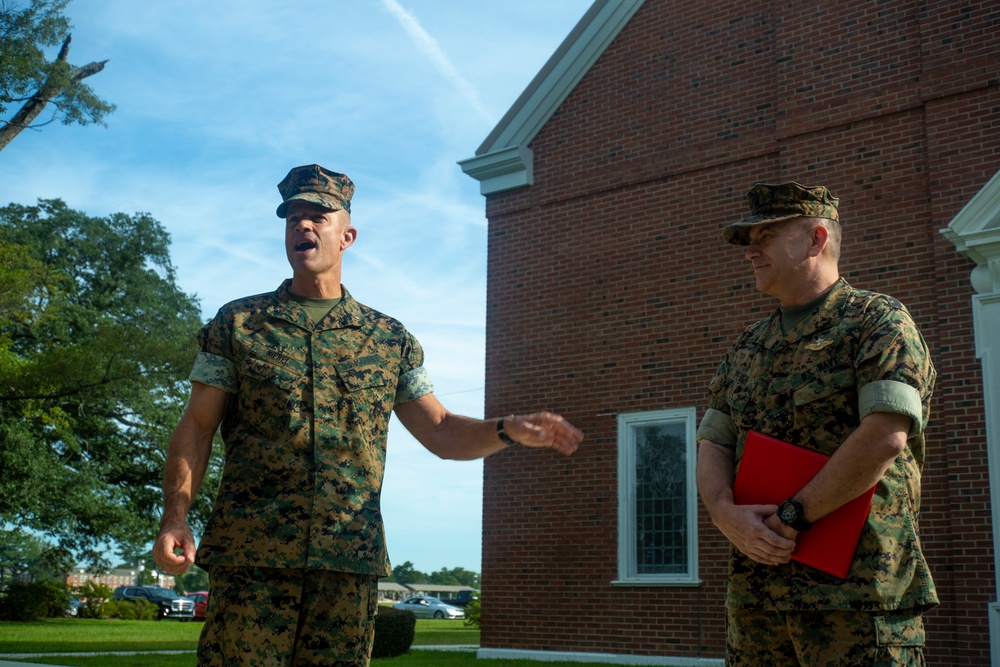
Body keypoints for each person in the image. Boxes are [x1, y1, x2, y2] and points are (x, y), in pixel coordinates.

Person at [152, 164, 583, 667]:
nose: (302, 227)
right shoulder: (239, 324)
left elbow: (441, 431)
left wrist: (508, 430)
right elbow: (196, 428)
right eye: (293, 218)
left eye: (318, 216)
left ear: (347, 236)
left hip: (347, 561)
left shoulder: (388, 339)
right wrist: (174, 517)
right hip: (253, 559)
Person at [695, 182, 937, 666]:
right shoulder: (747, 347)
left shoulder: (877, 322)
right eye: (748, 239)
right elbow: (713, 442)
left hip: (856, 602)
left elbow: (885, 437)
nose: (751, 250)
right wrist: (724, 513)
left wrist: (789, 516)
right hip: (757, 604)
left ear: (816, 239)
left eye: (765, 234)